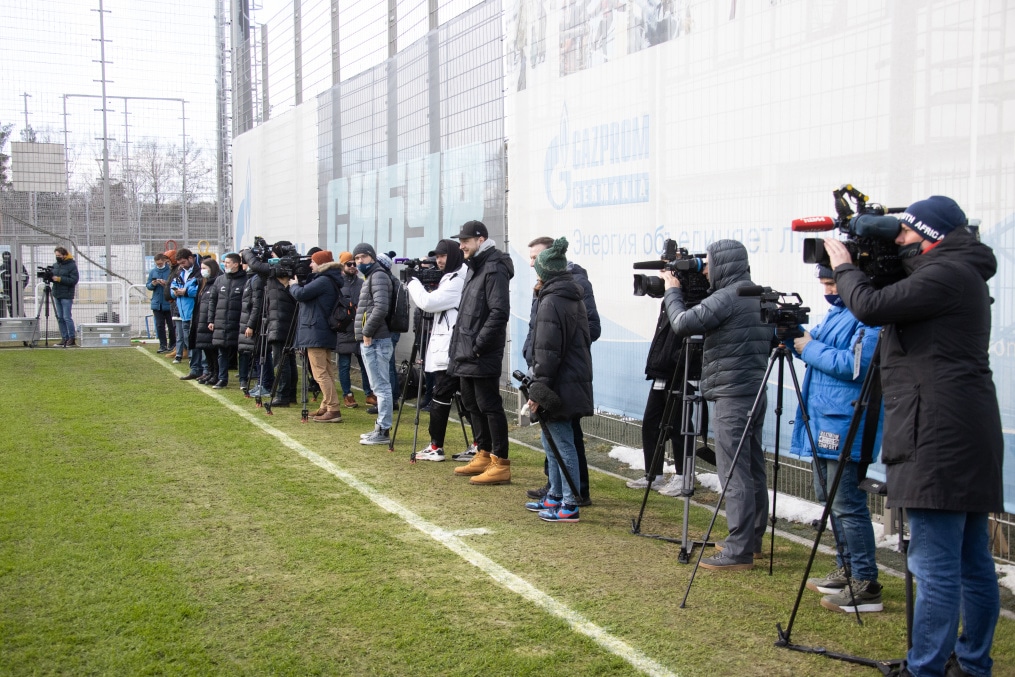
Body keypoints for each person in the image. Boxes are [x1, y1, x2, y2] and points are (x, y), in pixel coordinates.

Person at [826, 196, 1004, 677]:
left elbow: (869, 307)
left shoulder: (945, 274)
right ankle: (972, 664)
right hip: (963, 431)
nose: (899, 241)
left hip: (937, 436)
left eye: (904, 233)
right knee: (971, 561)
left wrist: (844, 267)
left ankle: (925, 668)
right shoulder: (960, 270)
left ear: (930, 235)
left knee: (935, 567)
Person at [662, 239, 772, 571]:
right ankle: (751, 540)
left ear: (722, 263)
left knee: (734, 472)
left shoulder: (727, 297)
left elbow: (682, 323)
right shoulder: (758, 294)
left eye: (708, 263)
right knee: (752, 467)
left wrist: (672, 291)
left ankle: (738, 551)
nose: (705, 270)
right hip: (754, 390)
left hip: (731, 395)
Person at [791, 265, 884, 613]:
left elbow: (856, 365)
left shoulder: (871, 315)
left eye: (832, 283)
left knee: (846, 503)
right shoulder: (838, 312)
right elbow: (807, 344)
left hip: (850, 420)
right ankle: (848, 569)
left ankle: (866, 582)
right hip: (825, 418)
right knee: (827, 496)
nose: (828, 290)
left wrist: (809, 347)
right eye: (824, 284)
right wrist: (788, 331)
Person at [523, 236, 601, 505]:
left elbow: (548, 351)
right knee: (553, 442)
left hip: (559, 383)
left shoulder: (554, 300)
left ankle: (569, 502)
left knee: (563, 443)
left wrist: (538, 389)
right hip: (561, 380)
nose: (532, 266)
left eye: (536, 261)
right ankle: (556, 495)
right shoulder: (559, 295)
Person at [448, 220, 514, 485]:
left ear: (481, 240)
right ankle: (484, 453)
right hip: (466, 351)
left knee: (489, 405)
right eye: (460, 241)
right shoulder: (475, 266)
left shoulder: (494, 267)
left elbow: (499, 312)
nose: (461, 246)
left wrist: (478, 346)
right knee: (471, 404)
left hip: (480, 352)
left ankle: (501, 462)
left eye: (465, 241)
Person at [405, 239, 466, 461]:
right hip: (449, 348)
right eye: (437, 257)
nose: (439, 261)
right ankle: (476, 446)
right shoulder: (452, 276)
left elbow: (428, 303)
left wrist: (413, 282)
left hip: (452, 350)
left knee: (443, 395)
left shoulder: (458, 279)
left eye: (443, 256)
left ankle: (436, 446)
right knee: (463, 398)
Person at [289, 250, 344, 422]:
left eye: (313, 262)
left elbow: (300, 294)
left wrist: (293, 285)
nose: (310, 265)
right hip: (321, 331)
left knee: (320, 373)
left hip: (316, 331)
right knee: (326, 371)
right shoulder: (329, 279)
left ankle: (333, 409)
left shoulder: (323, 280)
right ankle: (326, 405)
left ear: (320, 263)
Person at [353, 243, 394, 443]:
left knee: (381, 387)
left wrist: (367, 331)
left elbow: (381, 307)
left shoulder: (377, 276)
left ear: (372, 257)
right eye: (356, 258)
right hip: (373, 339)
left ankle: (383, 430)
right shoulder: (371, 277)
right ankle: (380, 427)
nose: (359, 261)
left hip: (376, 339)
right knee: (378, 386)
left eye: (363, 256)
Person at [335, 251, 373, 409]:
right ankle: (347, 394)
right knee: (344, 365)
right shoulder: (337, 283)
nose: (352, 266)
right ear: (342, 266)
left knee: (365, 364)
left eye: (354, 263)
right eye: (348, 264)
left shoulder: (362, 282)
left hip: (360, 329)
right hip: (343, 330)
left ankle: (369, 393)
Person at [207, 253, 247, 389]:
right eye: (224, 262)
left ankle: (243, 380)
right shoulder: (219, 280)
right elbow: (212, 301)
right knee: (222, 351)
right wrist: (211, 320)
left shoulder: (245, 280)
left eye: (228, 262)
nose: (225, 264)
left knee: (242, 352)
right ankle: (222, 379)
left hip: (239, 322)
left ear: (236, 264)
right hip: (221, 322)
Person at [184, 258, 221, 383]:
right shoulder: (203, 283)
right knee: (206, 348)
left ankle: (216, 373)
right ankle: (209, 372)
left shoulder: (217, 282)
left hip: (209, 321)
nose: (202, 271)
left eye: (205, 268)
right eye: (201, 268)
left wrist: (211, 319)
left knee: (213, 350)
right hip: (201, 320)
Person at [236, 258, 268, 394]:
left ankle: (264, 383)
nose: (242, 265)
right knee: (256, 353)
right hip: (248, 321)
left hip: (254, 323)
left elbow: (256, 305)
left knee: (261, 353)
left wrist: (251, 325)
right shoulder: (252, 279)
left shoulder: (257, 280)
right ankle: (261, 383)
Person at [170, 249, 200, 365]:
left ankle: (195, 359)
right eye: (180, 263)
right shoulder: (180, 272)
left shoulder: (199, 271)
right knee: (185, 336)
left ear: (190, 258)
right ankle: (192, 358)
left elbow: (201, 289)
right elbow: (173, 286)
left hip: (194, 309)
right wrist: (174, 292)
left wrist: (186, 291)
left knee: (192, 336)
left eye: (183, 262)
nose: (182, 265)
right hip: (182, 310)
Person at [146, 253, 176, 353]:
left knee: (171, 326)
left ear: (164, 261)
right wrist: (153, 284)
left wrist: (166, 284)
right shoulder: (153, 271)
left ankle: (172, 344)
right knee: (159, 325)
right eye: (157, 264)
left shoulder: (170, 271)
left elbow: (174, 284)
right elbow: (148, 286)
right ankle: (162, 345)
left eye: (160, 263)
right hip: (157, 303)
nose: (159, 265)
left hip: (169, 302)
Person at [50, 246, 79, 347]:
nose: (57, 257)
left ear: (65, 255)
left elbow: (74, 280)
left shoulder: (71, 265)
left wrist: (59, 279)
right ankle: (64, 337)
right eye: (56, 255)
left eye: (59, 255)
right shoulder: (55, 265)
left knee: (67, 317)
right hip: (57, 293)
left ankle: (71, 338)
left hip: (66, 295)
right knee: (60, 317)